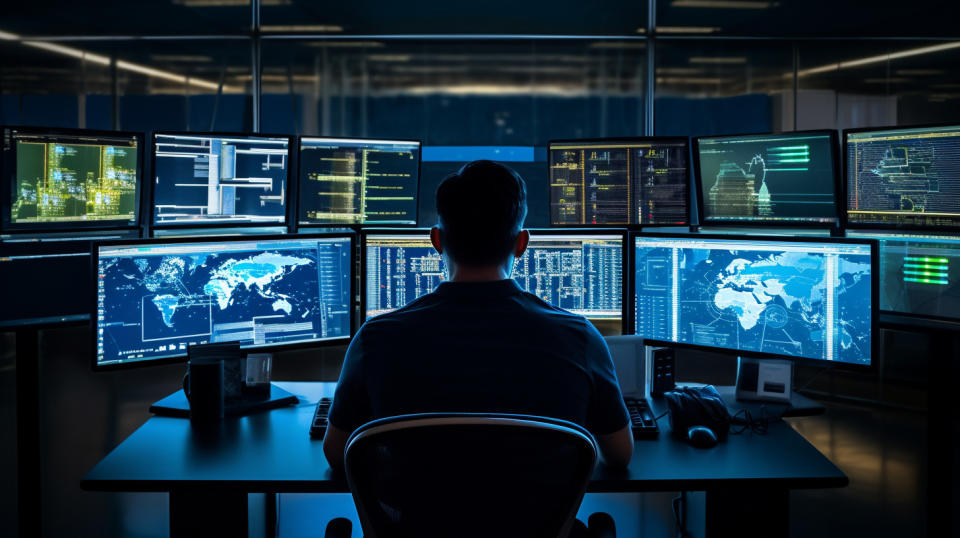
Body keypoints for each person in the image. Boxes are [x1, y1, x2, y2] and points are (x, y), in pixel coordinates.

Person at [323, 159, 633, 470]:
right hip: (536, 519)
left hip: (417, 518)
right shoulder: (580, 337)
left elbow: (337, 454)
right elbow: (620, 454)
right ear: (522, 244)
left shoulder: (375, 338)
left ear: (437, 240)